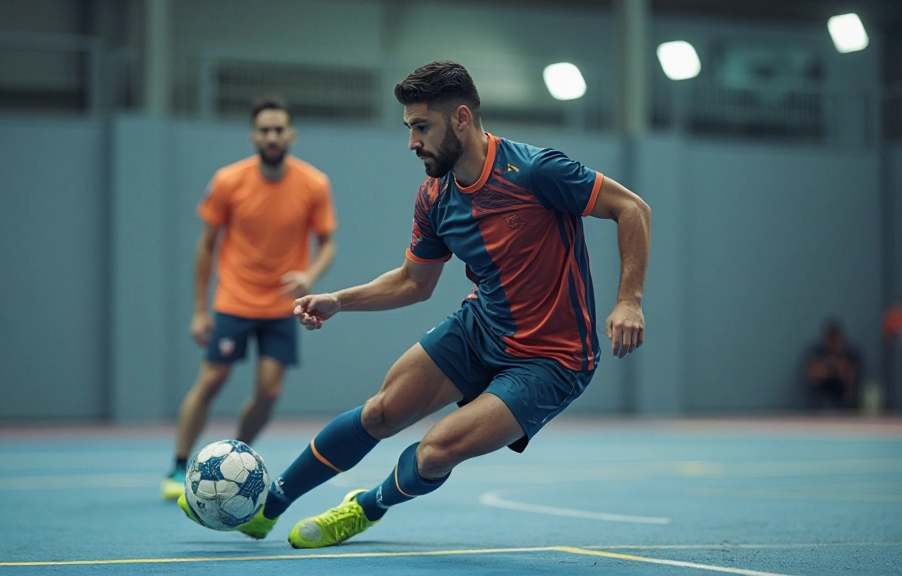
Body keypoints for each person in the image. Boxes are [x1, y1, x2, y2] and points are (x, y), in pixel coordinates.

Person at [177, 61, 651, 547]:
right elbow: (412, 282)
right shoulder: (434, 197)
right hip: (481, 329)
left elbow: (632, 208)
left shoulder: (535, 171)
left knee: (435, 452)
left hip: (552, 358)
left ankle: (366, 507)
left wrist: (628, 301)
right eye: (409, 128)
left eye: (421, 127)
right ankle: (267, 509)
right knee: (381, 413)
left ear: (461, 119)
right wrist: (339, 300)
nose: (412, 142)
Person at [160, 96, 338, 500]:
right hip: (234, 300)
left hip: (281, 307)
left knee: (270, 392)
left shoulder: (314, 184)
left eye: (279, 129)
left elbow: (328, 244)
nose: (272, 136)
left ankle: (233, 463)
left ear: (291, 135)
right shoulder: (227, 182)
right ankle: (176, 464)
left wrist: (309, 275)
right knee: (212, 380)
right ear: (253, 136)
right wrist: (198, 310)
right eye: (265, 130)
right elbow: (206, 246)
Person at [804, 319, 861, 411]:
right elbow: (814, 374)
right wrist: (834, 368)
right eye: (830, 339)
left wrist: (831, 368)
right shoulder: (817, 353)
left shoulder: (850, 354)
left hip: (845, 403)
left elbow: (849, 374)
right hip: (821, 402)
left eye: (836, 339)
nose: (833, 343)